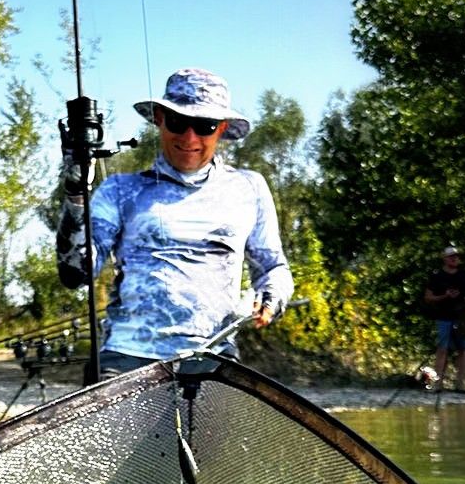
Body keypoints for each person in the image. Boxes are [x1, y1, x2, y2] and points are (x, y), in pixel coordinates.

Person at [56, 67, 294, 374]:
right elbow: (74, 273)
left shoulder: (249, 188)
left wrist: (270, 298)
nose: (189, 137)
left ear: (221, 128)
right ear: (159, 118)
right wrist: (75, 193)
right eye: (178, 122)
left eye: (205, 125)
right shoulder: (121, 190)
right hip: (126, 359)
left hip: (214, 357)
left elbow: (274, 269)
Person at [423, 245, 465, 391]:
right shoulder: (437, 276)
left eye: (456, 256)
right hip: (443, 317)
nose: (455, 259)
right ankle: (438, 382)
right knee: (442, 349)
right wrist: (444, 296)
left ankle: (460, 383)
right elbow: (428, 297)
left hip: (462, 317)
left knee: (463, 349)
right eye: (451, 257)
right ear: (444, 259)